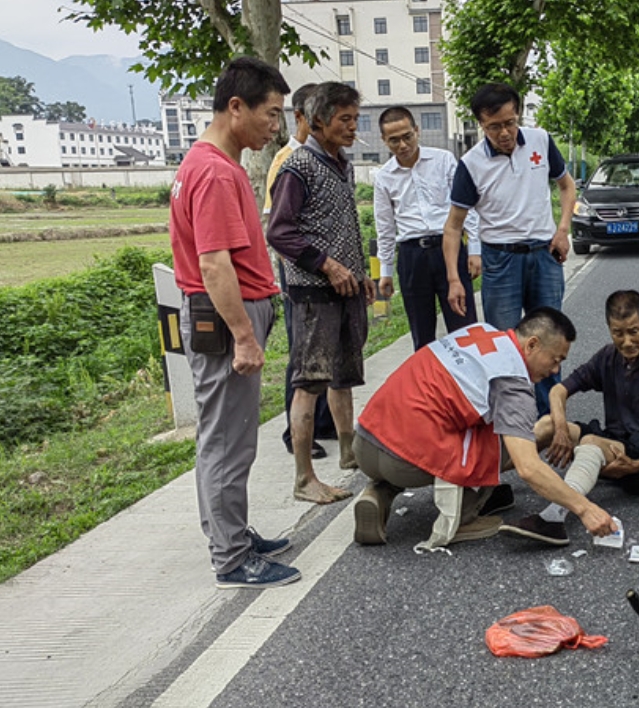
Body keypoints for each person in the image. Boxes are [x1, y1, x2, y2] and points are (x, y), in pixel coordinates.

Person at [169, 56, 298, 589]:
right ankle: (231, 557)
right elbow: (213, 263)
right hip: (225, 319)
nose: (276, 126)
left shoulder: (203, 163)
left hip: (222, 314)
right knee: (228, 441)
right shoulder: (217, 172)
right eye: (270, 114)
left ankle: (233, 533)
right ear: (236, 106)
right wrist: (245, 335)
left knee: (223, 436)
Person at [350, 308, 618, 549]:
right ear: (532, 345)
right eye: (555, 359)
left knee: (460, 424)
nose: (555, 370)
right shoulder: (512, 381)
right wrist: (585, 509)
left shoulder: (481, 331)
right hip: (403, 460)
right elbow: (527, 468)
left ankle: (379, 491)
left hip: (365, 440)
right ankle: (463, 517)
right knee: (499, 444)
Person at [500, 290, 639, 546]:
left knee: (590, 441)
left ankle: (554, 519)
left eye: (634, 331)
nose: (626, 342)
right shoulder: (607, 357)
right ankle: (484, 480)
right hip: (616, 441)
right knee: (548, 423)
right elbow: (558, 391)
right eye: (618, 333)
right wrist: (559, 430)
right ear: (609, 329)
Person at [266, 82, 375, 505]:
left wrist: (360, 272)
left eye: (355, 119)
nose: (352, 127)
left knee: (344, 375)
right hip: (313, 291)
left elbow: (345, 224)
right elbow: (279, 232)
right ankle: (303, 477)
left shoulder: (341, 163)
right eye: (344, 119)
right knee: (309, 382)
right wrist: (327, 265)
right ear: (318, 121)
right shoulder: (298, 166)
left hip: (346, 289)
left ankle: (350, 453)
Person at [442, 82, 576, 414]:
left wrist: (562, 230)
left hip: (544, 256)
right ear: (480, 124)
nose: (505, 132)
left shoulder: (540, 141)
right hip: (500, 261)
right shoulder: (471, 164)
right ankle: (513, 417)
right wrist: (454, 280)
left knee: (549, 338)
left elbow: (566, 185)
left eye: (510, 122)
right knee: (506, 343)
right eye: (494, 126)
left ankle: (550, 416)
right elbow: (453, 226)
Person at [264, 82, 334, 459]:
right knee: (302, 357)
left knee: (324, 353)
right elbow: (277, 229)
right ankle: (296, 434)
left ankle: (321, 422)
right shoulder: (289, 162)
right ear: (302, 117)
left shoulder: (324, 159)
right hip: (300, 277)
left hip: (323, 278)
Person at [373, 106, 480, 350]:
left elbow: (466, 208)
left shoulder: (443, 160)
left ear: (417, 131)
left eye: (407, 136)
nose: (402, 145)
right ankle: (429, 386)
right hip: (412, 257)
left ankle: (467, 386)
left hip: (449, 249)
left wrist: (475, 249)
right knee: (422, 336)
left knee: (464, 327)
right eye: (394, 140)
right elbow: (385, 228)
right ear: (384, 141)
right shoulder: (383, 177)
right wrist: (385, 271)